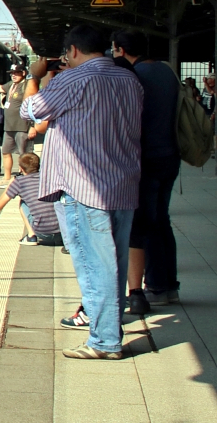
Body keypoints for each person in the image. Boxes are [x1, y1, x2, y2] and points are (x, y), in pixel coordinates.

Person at [20, 24, 142, 360]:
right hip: (123, 183)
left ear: (72, 51)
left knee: (93, 266)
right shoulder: (128, 80)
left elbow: (29, 110)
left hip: (83, 187)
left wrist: (35, 76)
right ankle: (109, 331)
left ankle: (104, 341)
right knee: (113, 262)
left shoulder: (72, 80)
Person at [112, 30, 181, 314]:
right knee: (161, 220)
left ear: (121, 50)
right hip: (170, 155)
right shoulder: (167, 72)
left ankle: (153, 287)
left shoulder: (134, 75)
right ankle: (167, 286)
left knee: (144, 225)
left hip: (147, 158)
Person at [0, 152, 63, 246]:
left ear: (21, 168)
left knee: (23, 202)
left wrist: (10, 184)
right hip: (63, 233)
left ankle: (31, 236)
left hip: (43, 233)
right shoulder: (49, 178)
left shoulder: (19, 181)